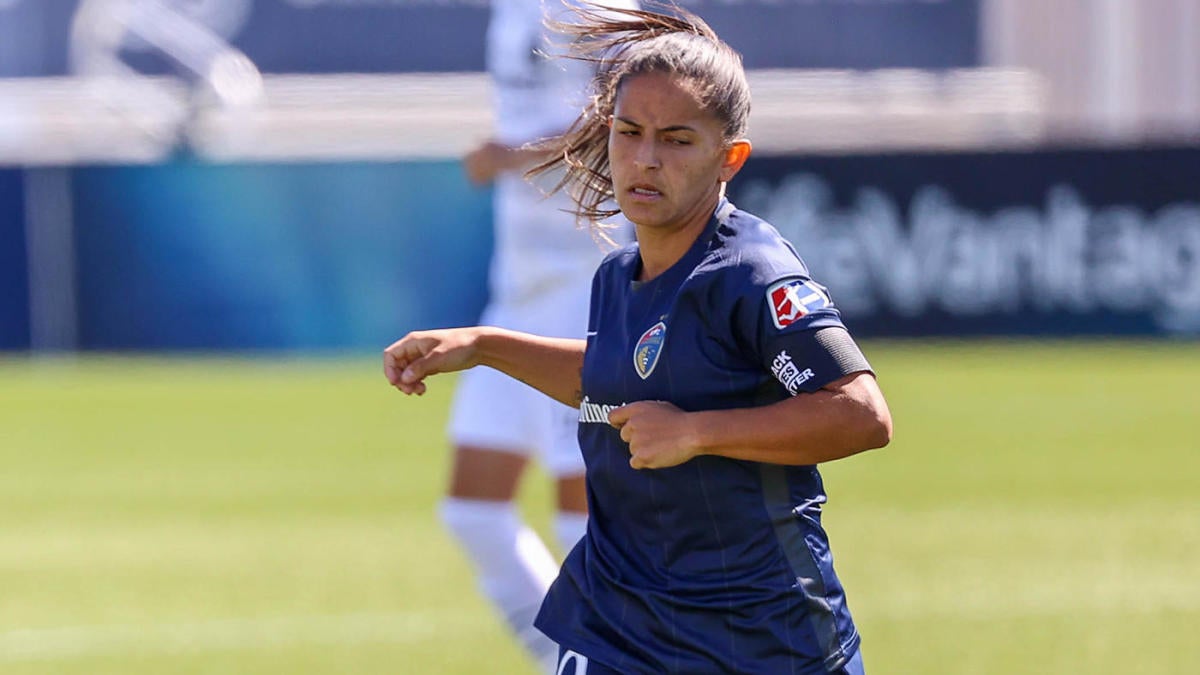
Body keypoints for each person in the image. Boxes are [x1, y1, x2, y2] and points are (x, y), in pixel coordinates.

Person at [386, 4, 892, 674]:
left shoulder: (747, 270)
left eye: (678, 140)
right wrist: (483, 345)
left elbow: (862, 413)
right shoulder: (618, 274)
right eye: (629, 133)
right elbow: (610, 377)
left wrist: (697, 431)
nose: (645, 160)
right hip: (627, 631)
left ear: (728, 158)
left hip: (764, 642)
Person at [437, 1, 636, 673]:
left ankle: (615, 660)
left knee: (584, 520)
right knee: (472, 511)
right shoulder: (512, 10)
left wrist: (507, 155)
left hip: (587, 286)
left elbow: (618, 131)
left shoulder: (597, 8)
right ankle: (574, 661)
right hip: (516, 292)